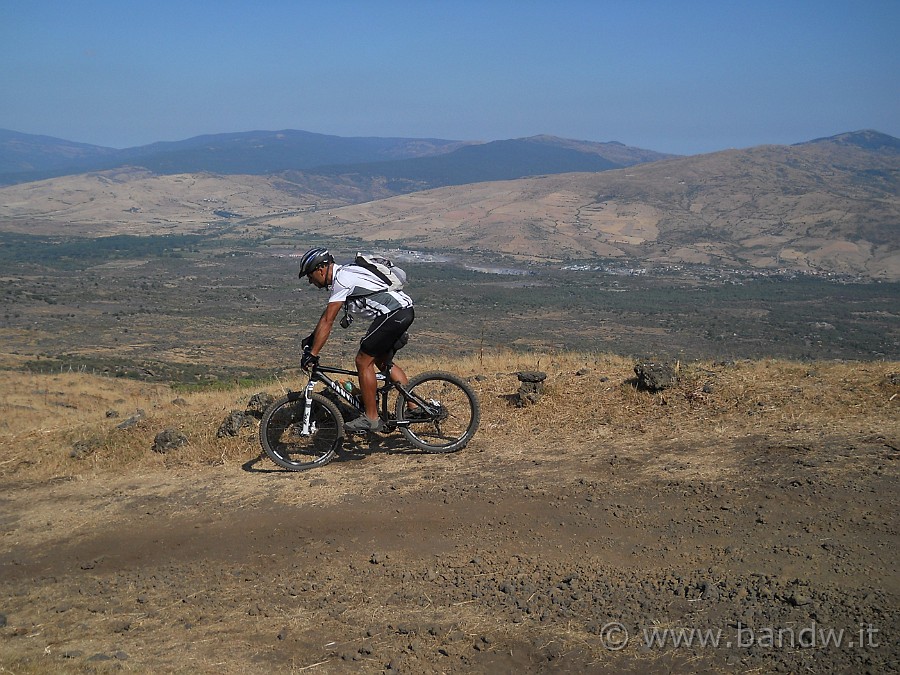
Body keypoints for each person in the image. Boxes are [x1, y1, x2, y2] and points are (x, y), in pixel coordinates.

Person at [297, 247, 415, 433]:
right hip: (400, 312)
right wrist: (312, 338)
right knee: (381, 361)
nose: (311, 281)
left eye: (310, 276)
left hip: (394, 314)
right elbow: (325, 316)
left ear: (321, 269)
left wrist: (313, 353)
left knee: (362, 360)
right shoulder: (344, 274)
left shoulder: (342, 279)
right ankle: (414, 408)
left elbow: (329, 320)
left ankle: (371, 418)